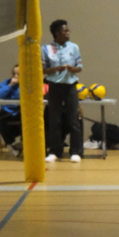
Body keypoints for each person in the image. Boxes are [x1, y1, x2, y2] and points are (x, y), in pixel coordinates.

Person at [42, 19, 83, 163]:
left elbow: (79, 67)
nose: (68, 33)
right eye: (65, 31)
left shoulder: (74, 47)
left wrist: (73, 69)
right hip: (54, 86)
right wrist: (55, 69)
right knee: (55, 120)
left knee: (73, 120)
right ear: (57, 33)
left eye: (68, 30)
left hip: (70, 86)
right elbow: (42, 70)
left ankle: (76, 152)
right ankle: (55, 151)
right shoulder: (46, 48)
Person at [0, 64, 20, 156]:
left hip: (20, 111)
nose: (16, 76)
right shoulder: (5, 83)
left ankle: (23, 144)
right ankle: (11, 145)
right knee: (1, 120)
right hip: (7, 111)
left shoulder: (27, 84)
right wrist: (10, 85)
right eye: (14, 74)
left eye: (18, 74)